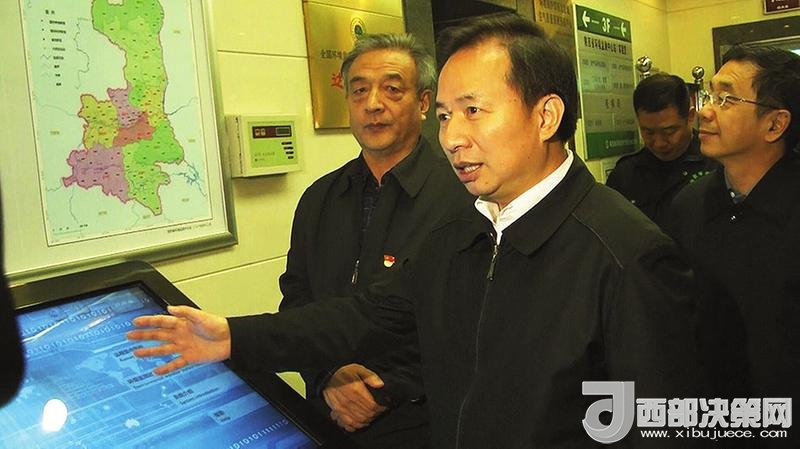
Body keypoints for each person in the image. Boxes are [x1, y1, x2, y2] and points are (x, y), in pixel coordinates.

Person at [129, 16, 705, 448]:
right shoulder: (464, 230)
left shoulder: (627, 255)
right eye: (447, 115)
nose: (452, 137)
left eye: (474, 111)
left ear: (545, 116)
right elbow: (367, 315)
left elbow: (655, 423)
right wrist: (233, 337)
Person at [279, 34, 471, 448]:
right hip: (329, 419)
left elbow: (471, 324)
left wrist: (383, 391)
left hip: (428, 426)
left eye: (392, 89)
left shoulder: (464, 196)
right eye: (359, 90)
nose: (373, 104)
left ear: (423, 103)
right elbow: (297, 300)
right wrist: (327, 377)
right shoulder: (319, 198)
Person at [668, 45, 800, 448]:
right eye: (709, 95)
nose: (705, 111)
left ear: (775, 124)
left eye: (726, 99)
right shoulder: (688, 205)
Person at [606, 73, 717, 228]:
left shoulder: (716, 164)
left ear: (690, 116)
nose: (658, 143)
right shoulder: (625, 175)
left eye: (669, 132)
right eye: (648, 132)